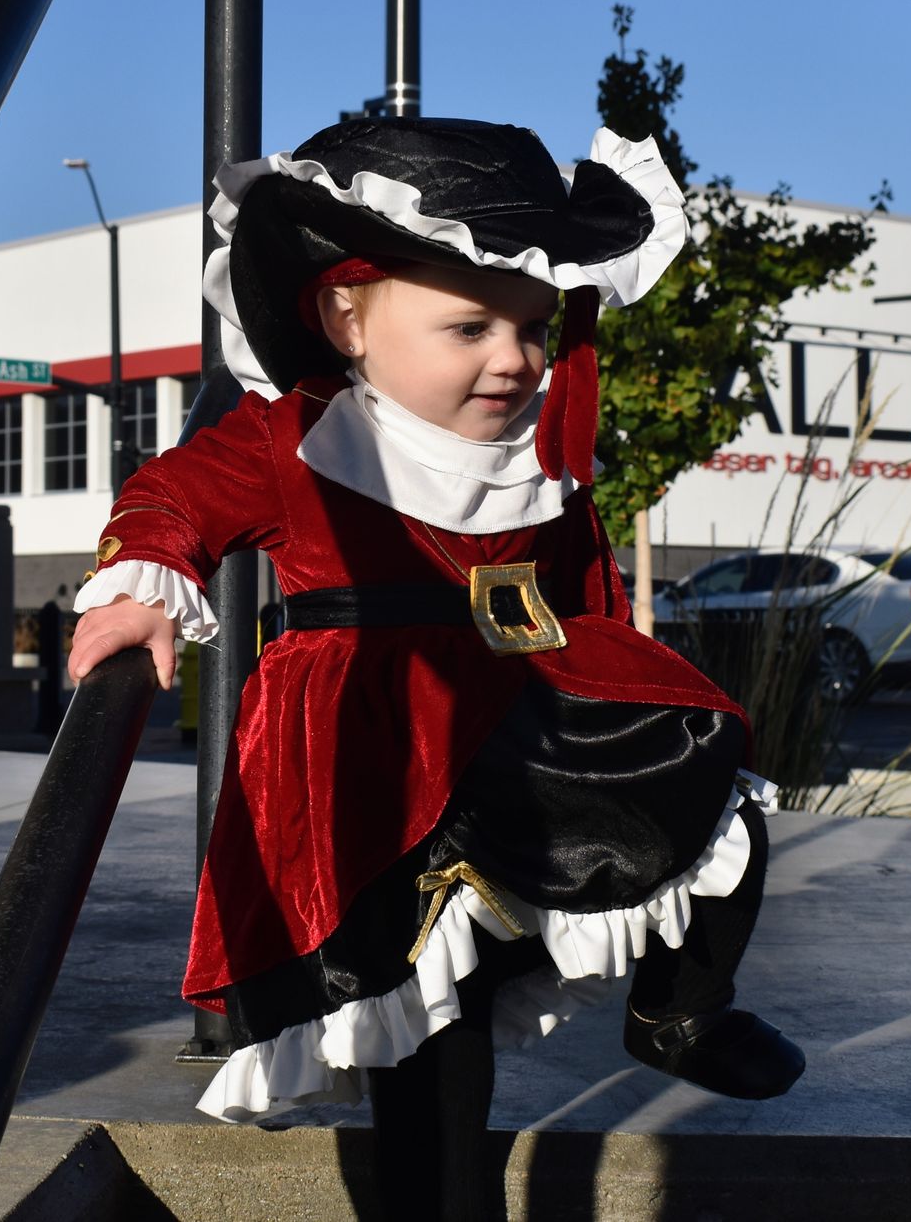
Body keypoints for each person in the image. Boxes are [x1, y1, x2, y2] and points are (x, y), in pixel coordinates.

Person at [68, 117, 802, 1218]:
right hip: (379, 737)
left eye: (532, 328)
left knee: (717, 784)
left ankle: (679, 1011)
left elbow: (582, 579)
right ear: (344, 315)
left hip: (530, 697)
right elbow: (173, 498)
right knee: (428, 1011)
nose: (511, 359)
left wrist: (624, 669)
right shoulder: (296, 439)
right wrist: (138, 588)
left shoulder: (541, 451)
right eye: (468, 327)